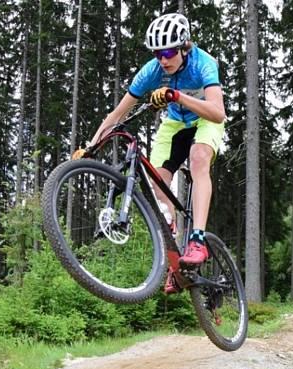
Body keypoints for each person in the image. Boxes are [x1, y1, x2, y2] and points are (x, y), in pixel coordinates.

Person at [72, 12, 226, 293]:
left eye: (168, 51)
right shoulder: (152, 71)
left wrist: (177, 96)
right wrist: (91, 147)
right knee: (156, 184)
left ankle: (198, 240)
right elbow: (117, 114)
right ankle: (174, 255)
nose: (163, 59)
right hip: (175, 124)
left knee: (199, 159)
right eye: (157, 53)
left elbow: (218, 113)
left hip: (204, 120)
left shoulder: (204, 63)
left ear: (183, 47)